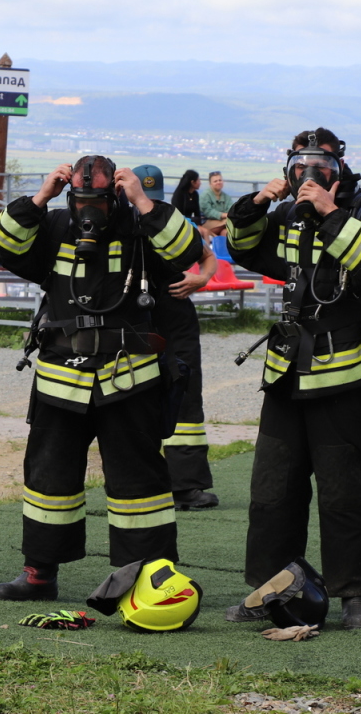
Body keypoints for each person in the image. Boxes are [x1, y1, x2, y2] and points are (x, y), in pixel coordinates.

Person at [0, 155, 202, 601]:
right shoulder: (54, 224)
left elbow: (187, 252)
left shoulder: (141, 227)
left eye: (99, 199)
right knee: (48, 477)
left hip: (129, 379)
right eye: (82, 198)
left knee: (138, 484)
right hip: (60, 380)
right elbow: (2, 244)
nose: (90, 210)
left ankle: (147, 577)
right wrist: (40, 197)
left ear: (115, 194)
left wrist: (143, 202)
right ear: (71, 194)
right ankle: (39, 573)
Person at [223, 128, 361, 630]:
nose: (310, 175)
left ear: (340, 168)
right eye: (301, 165)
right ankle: (271, 591)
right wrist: (258, 203)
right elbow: (244, 249)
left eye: (321, 165)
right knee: (273, 491)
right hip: (289, 371)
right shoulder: (285, 214)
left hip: (351, 373)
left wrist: (330, 213)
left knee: (347, 490)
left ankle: (356, 597)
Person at [132, 165, 220, 511]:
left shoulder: (175, 223)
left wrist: (201, 280)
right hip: (135, 319)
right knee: (133, 399)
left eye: (152, 199)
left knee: (185, 397)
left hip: (176, 318)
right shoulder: (120, 224)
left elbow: (207, 257)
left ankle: (186, 486)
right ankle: (141, 482)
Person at [199, 171, 232, 237]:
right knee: (226, 223)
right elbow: (208, 212)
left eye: (220, 180)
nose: (218, 182)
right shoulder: (205, 195)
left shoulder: (226, 197)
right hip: (206, 221)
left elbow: (231, 209)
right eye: (215, 181)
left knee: (225, 232)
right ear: (210, 184)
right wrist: (224, 215)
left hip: (222, 222)